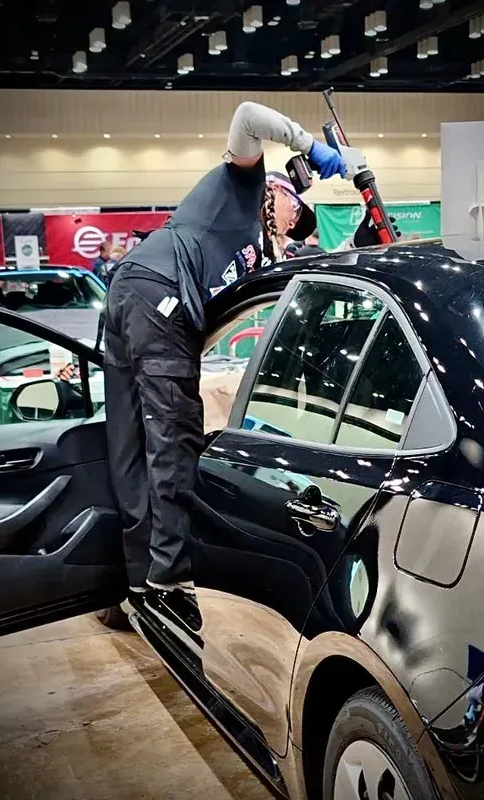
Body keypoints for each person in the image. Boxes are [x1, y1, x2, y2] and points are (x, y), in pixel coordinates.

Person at [104, 100, 373, 595]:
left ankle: (137, 579)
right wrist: (310, 146)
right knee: (171, 438)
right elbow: (248, 115)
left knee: (131, 442)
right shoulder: (243, 182)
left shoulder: (259, 254)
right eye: (297, 204)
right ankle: (169, 575)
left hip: (135, 294)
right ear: (276, 190)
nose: (298, 217)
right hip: (157, 292)